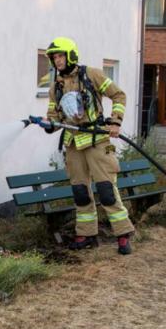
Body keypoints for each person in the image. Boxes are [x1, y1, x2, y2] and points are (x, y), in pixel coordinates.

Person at [43, 36, 135, 254]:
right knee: (80, 192)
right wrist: (48, 124)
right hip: (73, 144)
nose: (57, 61)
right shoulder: (55, 87)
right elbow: (54, 117)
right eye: (54, 57)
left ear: (71, 55)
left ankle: (123, 235)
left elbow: (119, 95)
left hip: (97, 140)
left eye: (60, 56)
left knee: (106, 190)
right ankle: (86, 235)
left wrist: (115, 122)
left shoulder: (92, 75)